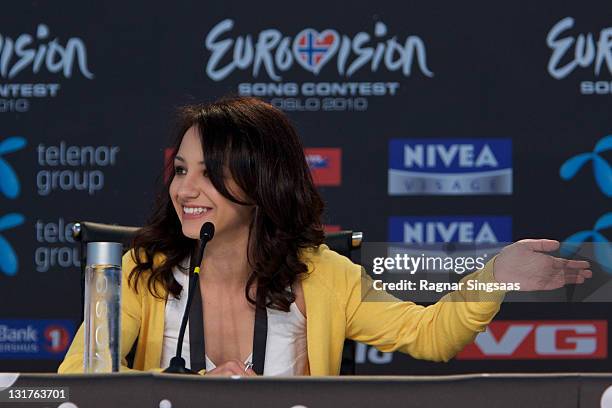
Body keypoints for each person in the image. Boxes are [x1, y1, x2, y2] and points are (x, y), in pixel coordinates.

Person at [58, 97, 591, 376]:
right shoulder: (140, 271)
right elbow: (82, 379)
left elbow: (430, 335)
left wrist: (494, 277)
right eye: (180, 170)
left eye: (209, 171)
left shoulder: (323, 275)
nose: (186, 189)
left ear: (261, 180)